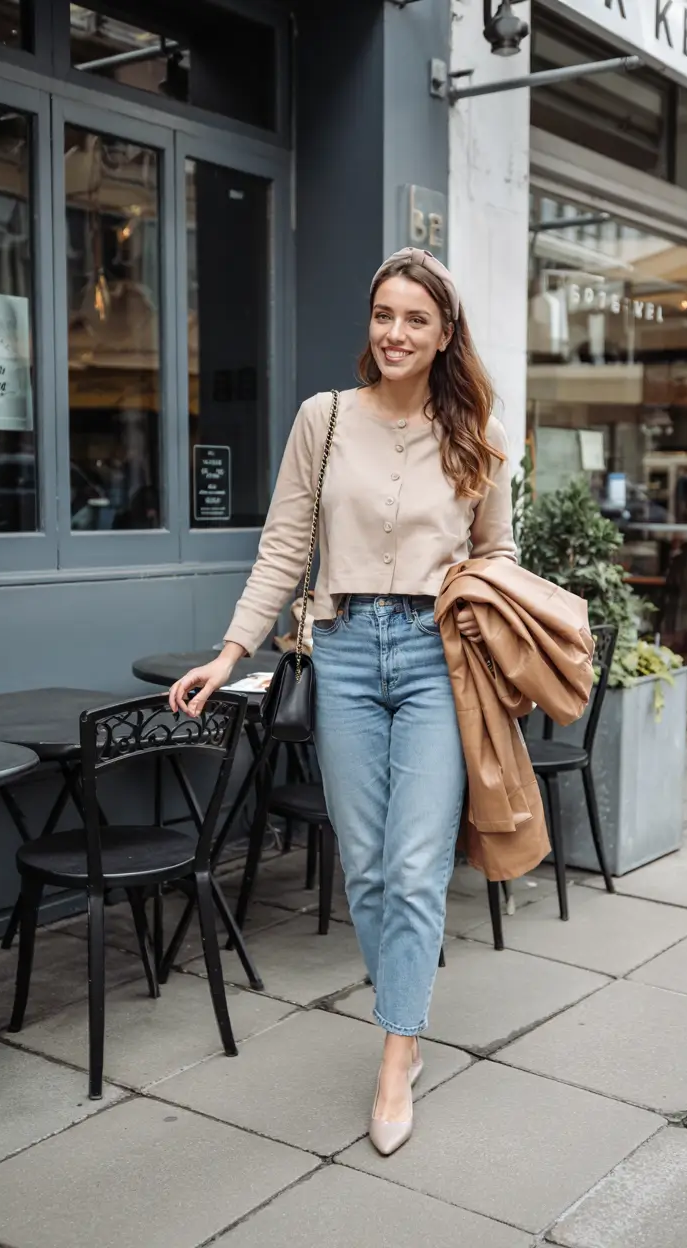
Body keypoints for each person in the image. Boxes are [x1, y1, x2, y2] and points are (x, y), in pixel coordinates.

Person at [168, 248, 516, 1154]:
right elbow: (284, 548)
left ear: (445, 336)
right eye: (383, 315)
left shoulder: (475, 429)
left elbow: (499, 553)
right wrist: (230, 652)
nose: (394, 334)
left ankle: (398, 1054)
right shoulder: (323, 420)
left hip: (441, 658)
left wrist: (487, 600)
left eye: (415, 320)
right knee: (363, 867)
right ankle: (405, 1007)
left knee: (413, 865)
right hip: (347, 652)